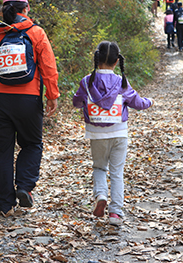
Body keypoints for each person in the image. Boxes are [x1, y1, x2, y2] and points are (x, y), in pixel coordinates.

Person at [0, 0, 60, 217]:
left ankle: (5, 204)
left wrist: (1, 75)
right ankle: (24, 187)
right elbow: (48, 67)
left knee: (1, 151)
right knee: (32, 144)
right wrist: (52, 95)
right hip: (28, 98)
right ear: (27, 8)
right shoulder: (36, 33)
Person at [72, 41, 153, 227]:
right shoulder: (121, 82)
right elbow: (138, 103)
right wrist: (150, 101)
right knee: (117, 172)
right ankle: (115, 213)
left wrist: (82, 100)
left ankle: (100, 195)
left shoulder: (87, 82)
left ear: (96, 58)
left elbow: (76, 103)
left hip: (96, 134)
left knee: (99, 168)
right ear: (117, 61)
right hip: (119, 133)